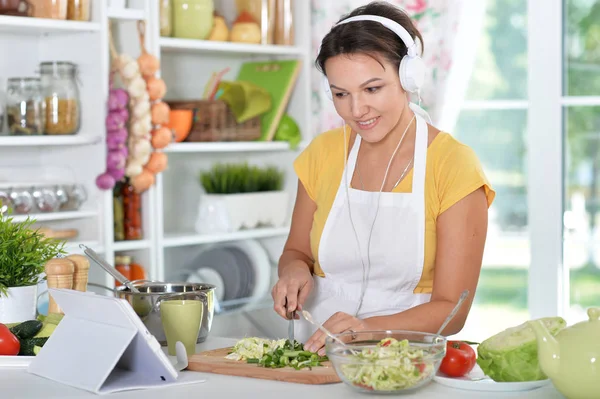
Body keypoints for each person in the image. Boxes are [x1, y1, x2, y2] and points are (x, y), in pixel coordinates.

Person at [271, 1, 495, 355]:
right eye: (340, 94)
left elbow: (453, 310)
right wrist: (294, 271)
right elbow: (296, 251)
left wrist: (367, 330)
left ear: (408, 78)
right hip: (313, 361)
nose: (356, 110)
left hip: (406, 366)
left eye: (372, 89)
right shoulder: (323, 154)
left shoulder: (453, 165)